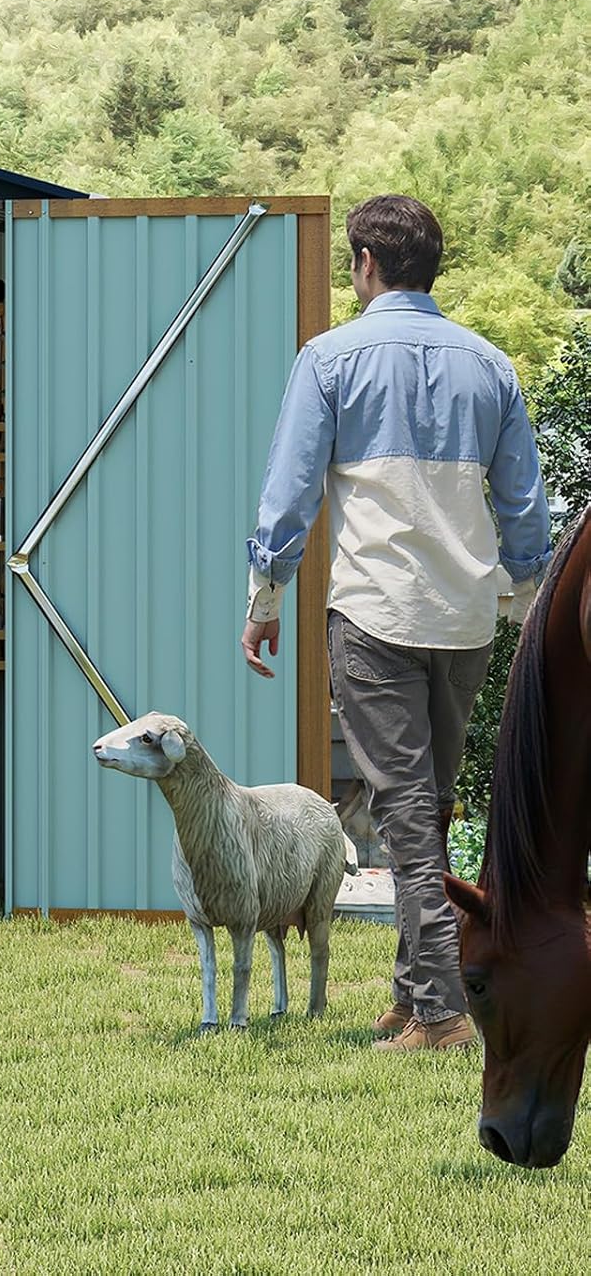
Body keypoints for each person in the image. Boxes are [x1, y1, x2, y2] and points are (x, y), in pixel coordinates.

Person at [241, 194, 551, 1052]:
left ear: (365, 265)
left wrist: (265, 599)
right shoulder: (491, 365)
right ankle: (417, 995)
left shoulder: (329, 358)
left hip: (376, 611)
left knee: (409, 813)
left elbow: (291, 491)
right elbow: (526, 508)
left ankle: (445, 1010)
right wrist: (526, 606)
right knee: (431, 807)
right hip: (466, 618)